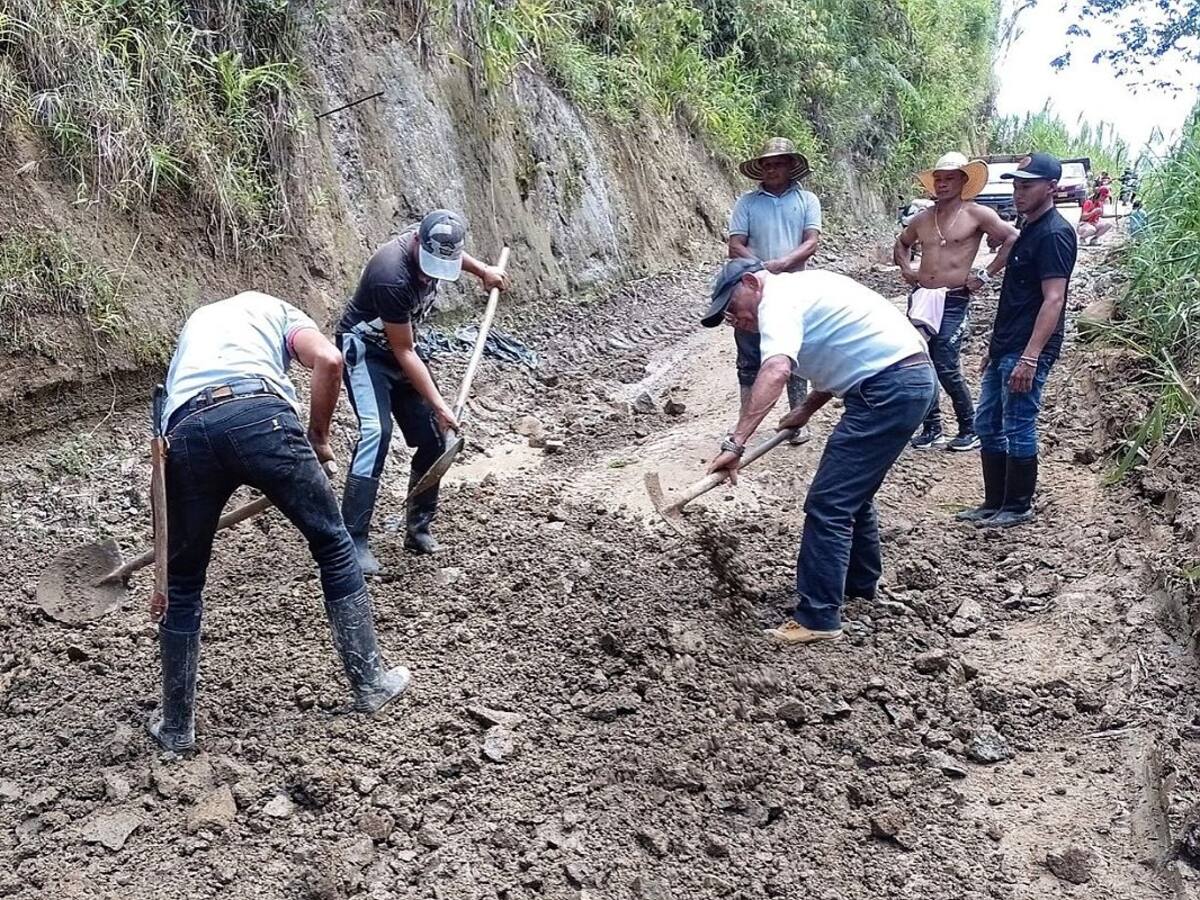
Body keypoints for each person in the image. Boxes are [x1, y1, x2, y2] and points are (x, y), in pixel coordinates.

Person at [151, 291, 411, 752]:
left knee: (185, 580)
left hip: (185, 432)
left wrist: (164, 568)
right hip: (259, 415)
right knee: (333, 544)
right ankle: (370, 683)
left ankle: (176, 727)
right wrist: (317, 438)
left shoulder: (197, 321)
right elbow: (329, 360)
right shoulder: (279, 312)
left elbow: (167, 419)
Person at [702, 259, 935, 645]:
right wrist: (806, 408)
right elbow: (849, 349)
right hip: (898, 382)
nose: (734, 320)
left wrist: (735, 444)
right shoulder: (805, 288)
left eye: (732, 308)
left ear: (750, 282)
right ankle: (858, 588)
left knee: (829, 505)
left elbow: (776, 370)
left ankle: (818, 618)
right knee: (850, 496)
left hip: (888, 389)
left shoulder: (777, 302)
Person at [337, 210, 507, 573]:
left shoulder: (439, 248)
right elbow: (404, 351)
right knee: (375, 434)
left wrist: (483, 272)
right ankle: (352, 541)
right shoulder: (390, 275)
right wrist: (441, 403)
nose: (434, 272)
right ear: (417, 240)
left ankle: (418, 528)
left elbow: (454, 255)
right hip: (367, 352)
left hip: (402, 348)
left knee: (434, 437)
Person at [957, 153, 1078, 528]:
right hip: (1007, 345)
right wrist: (994, 351)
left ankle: (1018, 505)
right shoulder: (1029, 227)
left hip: (1028, 348)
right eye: (1015, 185)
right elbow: (1015, 296)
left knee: (1018, 422)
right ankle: (995, 501)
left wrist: (1030, 357)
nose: (1018, 192)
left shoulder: (1055, 233)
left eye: (1027, 185)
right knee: (987, 422)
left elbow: (1053, 298)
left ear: (1051, 188)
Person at [894, 152, 1019, 452]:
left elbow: (1012, 237)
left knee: (946, 365)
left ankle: (969, 427)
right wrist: (907, 269)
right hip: (922, 297)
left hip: (953, 299)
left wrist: (985, 275)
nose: (942, 184)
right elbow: (902, 243)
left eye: (949, 178)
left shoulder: (977, 214)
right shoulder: (923, 218)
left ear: (963, 181)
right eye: (938, 179)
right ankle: (932, 427)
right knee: (920, 361)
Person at [727, 137, 823, 445]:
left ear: (791, 166)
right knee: (749, 353)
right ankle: (746, 424)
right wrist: (760, 268)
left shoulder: (807, 200)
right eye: (767, 164)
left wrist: (782, 263)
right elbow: (734, 244)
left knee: (794, 354)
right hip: (754, 287)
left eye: (778, 163)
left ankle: (797, 419)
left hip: (795, 285)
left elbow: (811, 242)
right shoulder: (747, 203)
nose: (771, 169)